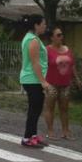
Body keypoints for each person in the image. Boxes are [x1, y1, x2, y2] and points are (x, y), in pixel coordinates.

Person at [43, 26, 82, 140]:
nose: (61, 37)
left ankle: (65, 131)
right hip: (51, 84)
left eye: (62, 34)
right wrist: (42, 82)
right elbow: (42, 66)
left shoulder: (67, 49)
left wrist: (77, 79)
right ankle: (50, 131)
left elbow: (72, 65)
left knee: (64, 108)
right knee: (50, 107)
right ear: (52, 37)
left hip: (65, 84)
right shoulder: (47, 50)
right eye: (58, 35)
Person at [19, 14, 49, 148]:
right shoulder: (33, 40)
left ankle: (33, 135)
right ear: (36, 25)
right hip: (33, 79)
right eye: (43, 24)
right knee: (34, 109)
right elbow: (35, 63)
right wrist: (43, 81)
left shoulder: (33, 38)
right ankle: (27, 138)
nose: (45, 26)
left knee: (37, 108)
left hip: (33, 79)